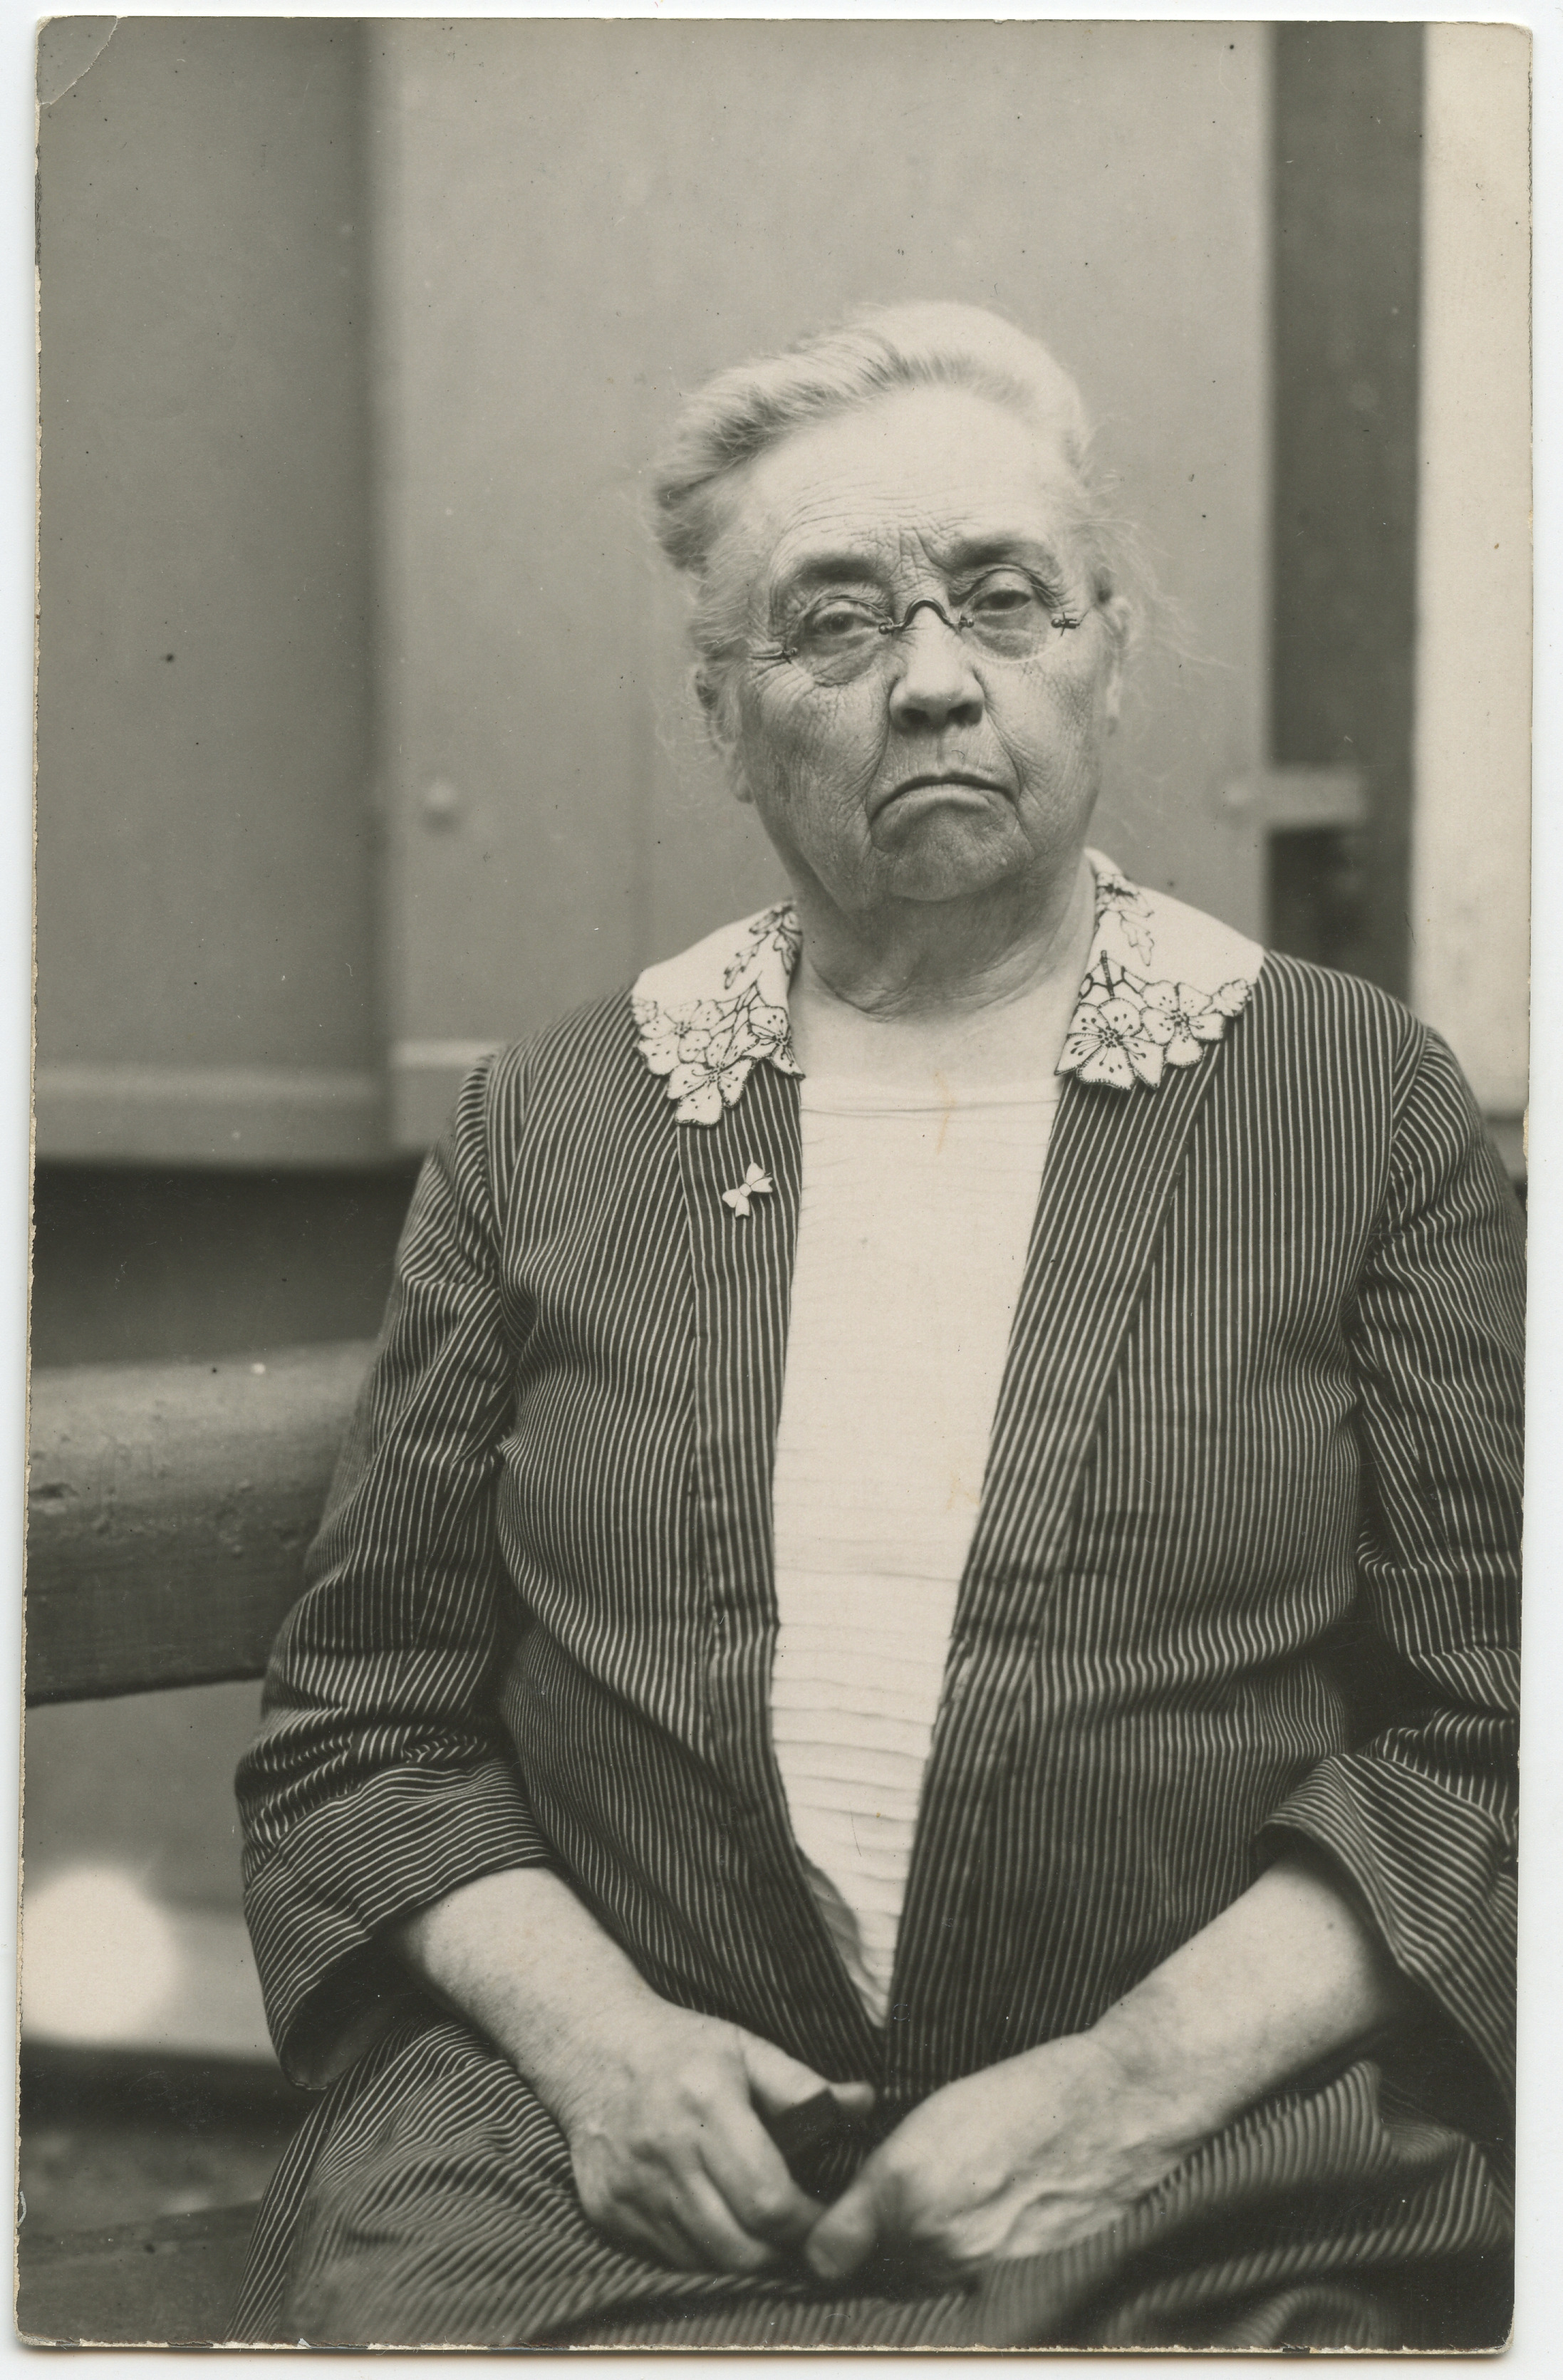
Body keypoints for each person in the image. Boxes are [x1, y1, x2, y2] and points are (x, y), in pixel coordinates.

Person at [234, 303, 1521, 2351]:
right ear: (722, 718)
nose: (931, 677)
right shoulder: (554, 1123)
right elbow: (366, 1726)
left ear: (1108, 650)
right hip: (605, 2180)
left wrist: (1123, 2092)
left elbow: (1497, 1729)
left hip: (1196, 2177)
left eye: (1002, 598)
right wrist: (605, 2055)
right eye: (832, 623)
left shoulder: (1354, 1105)